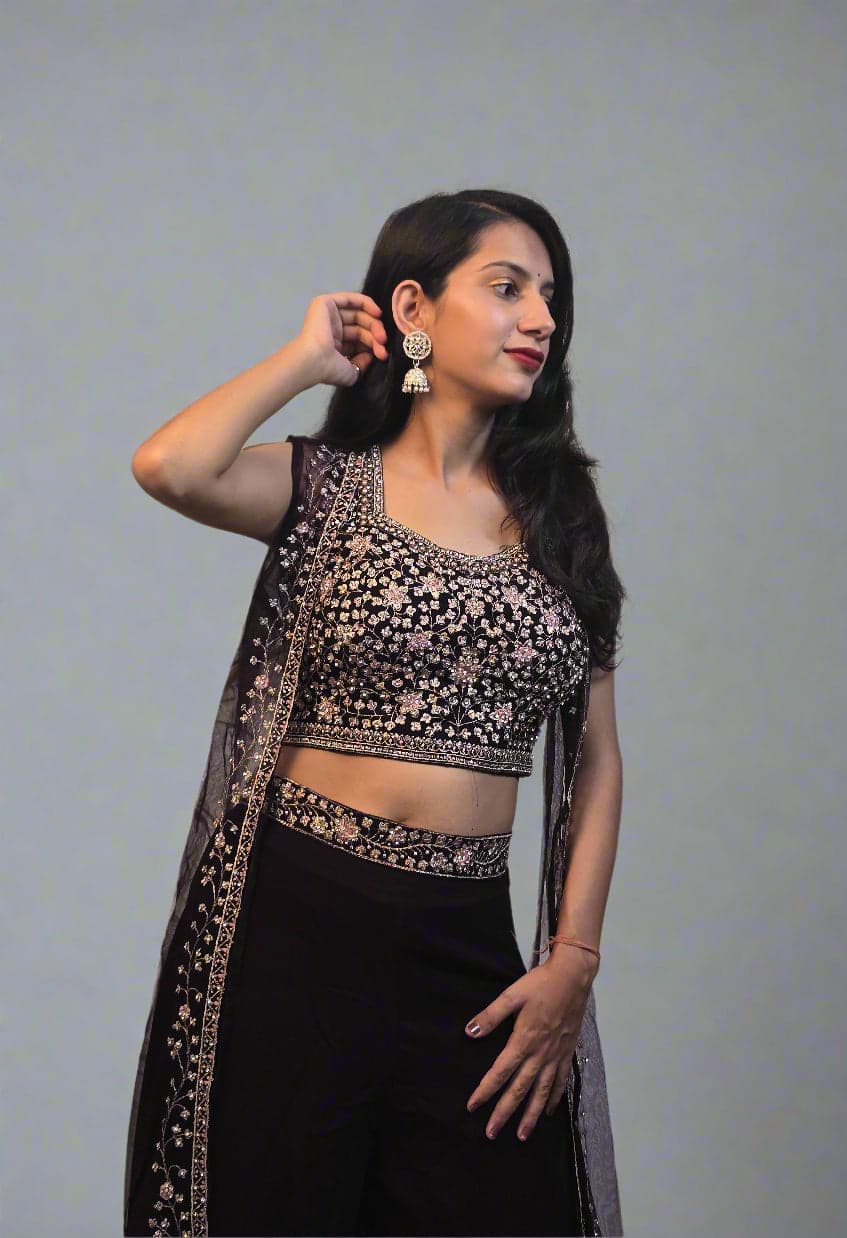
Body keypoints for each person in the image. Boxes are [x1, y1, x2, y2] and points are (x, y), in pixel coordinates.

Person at [122, 188, 626, 1237]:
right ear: (414, 307)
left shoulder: (561, 510)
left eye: (550, 295)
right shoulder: (325, 489)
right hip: (301, 924)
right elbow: (171, 465)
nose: (541, 316)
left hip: (467, 946)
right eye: (506, 287)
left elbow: (597, 757)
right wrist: (306, 359)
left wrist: (571, 959)